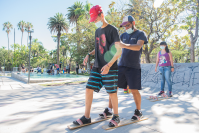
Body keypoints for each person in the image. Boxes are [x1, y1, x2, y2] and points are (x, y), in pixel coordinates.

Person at [72, 5, 122, 127]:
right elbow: (98, 47)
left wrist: (109, 65)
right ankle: (86, 117)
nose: (94, 21)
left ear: (102, 15)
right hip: (97, 66)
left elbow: (118, 51)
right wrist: (88, 54)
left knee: (112, 93)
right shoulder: (97, 31)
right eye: (93, 20)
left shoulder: (113, 30)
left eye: (95, 19)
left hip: (110, 67)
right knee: (88, 89)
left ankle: (116, 116)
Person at [106, 15, 148, 121]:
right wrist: (109, 63)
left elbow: (138, 47)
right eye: (124, 26)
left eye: (128, 25)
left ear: (133, 23)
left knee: (134, 90)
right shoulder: (123, 35)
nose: (126, 28)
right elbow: (117, 51)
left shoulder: (141, 34)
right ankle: (109, 110)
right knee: (113, 87)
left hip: (134, 67)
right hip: (121, 66)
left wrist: (124, 45)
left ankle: (138, 111)